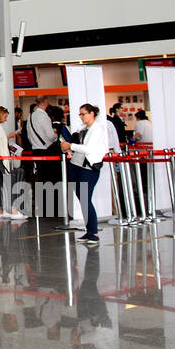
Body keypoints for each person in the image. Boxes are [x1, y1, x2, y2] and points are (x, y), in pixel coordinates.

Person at [69, 104, 109, 246]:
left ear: (92, 113)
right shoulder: (83, 128)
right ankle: (90, 230)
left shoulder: (97, 129)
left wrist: (70, 146)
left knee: (85, 199)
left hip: (88, 168)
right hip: (76, 165)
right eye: (80, 114)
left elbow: (89, 149)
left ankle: (94, 233)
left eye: (83, 113)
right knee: (82, 200)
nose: (81, 116)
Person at [0, 106, 24, 220]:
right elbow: (0, 144)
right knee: (7, 185)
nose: (6, 119)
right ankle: (13, 211)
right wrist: (9, 137)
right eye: (5, 116)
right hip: (0, 161)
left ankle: (0, 210)